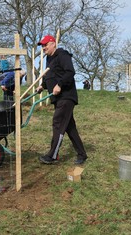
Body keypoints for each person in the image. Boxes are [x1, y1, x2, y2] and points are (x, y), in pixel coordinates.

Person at [36, 35, 88, 165]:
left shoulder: (62, 55)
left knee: (58, 123)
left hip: (66, 96)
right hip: (58, 98)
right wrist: (43, 85)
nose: (43, 48)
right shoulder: (49, 58)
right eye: (42, 46)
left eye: (45, 45)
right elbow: (50, 75)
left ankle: (53, 155)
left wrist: (59, 84)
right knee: (69, 127)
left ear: (53, 43)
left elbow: (70, 72)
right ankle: (82, 154)